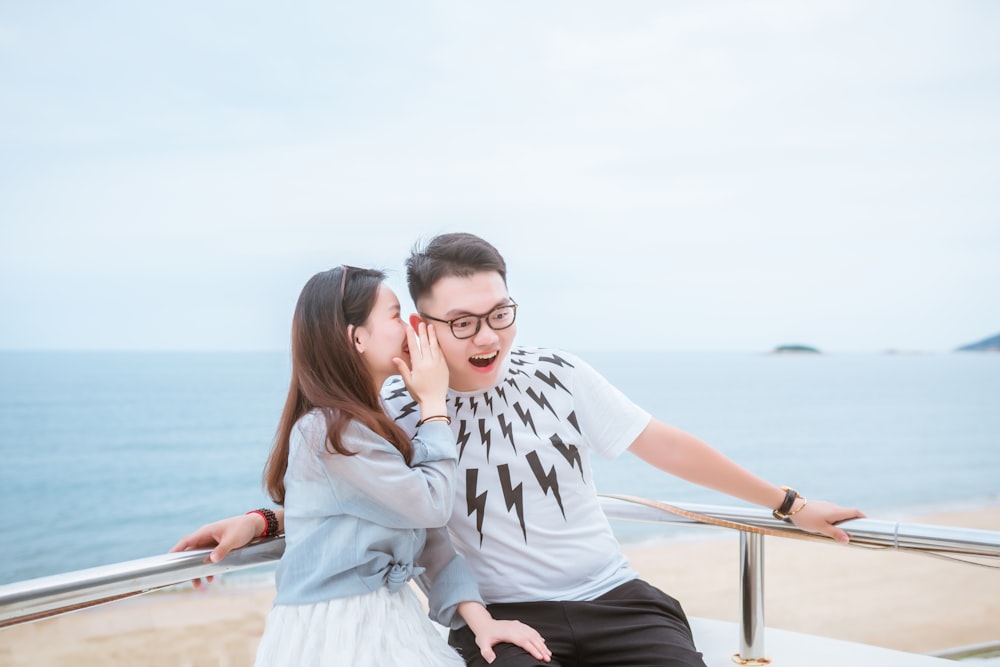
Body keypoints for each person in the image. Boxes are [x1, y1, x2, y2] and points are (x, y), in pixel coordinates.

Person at [174, 235, 865, 667]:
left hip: (614, 595)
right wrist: (268, 520)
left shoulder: (556, 370)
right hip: (501, 616)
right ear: (420, 325)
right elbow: (362, 502)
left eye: (501, 313)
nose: (489, 337)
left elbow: (667, 444)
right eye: (465, 322)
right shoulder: (405, 412)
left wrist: (789, 503)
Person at [216, 265, 550, 666]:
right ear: (357, 338)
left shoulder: (370, 424)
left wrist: (483, 624)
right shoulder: (326, 431)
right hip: (339, 632)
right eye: (394, 315)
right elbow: (430, 505)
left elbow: (425, 533)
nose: (411, 326)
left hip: (388, 618)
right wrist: (433, 407)